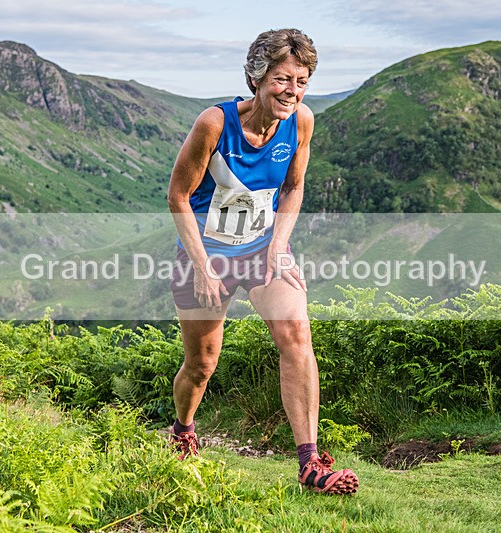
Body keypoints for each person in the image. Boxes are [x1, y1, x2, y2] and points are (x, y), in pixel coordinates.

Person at [166, 28, 358, 495]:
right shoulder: (214, 123)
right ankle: (184, 431)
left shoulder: (302, 122)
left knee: (296, 332)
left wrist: (279, 245)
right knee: (201, 364)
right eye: (282, 79)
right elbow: (178, 194)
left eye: (302, 80)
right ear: (258, 77)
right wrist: (202, 266)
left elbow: (293, 186)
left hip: (262, 248)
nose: (292, 90)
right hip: (206, 252)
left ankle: (310, 463)